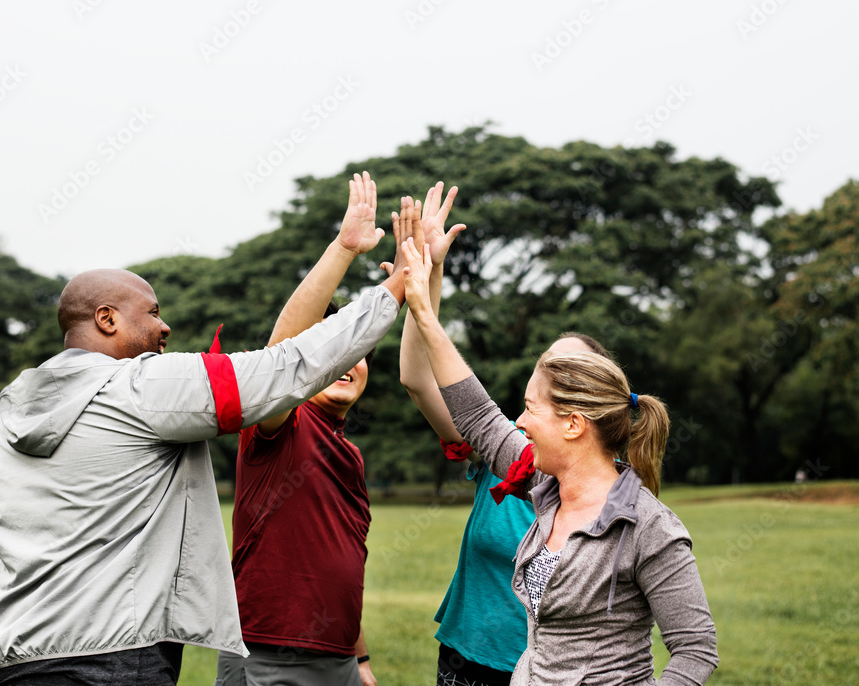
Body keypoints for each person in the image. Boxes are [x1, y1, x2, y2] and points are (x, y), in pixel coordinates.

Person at [0, 170, 419, 685]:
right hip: (116, 659)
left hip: (12, 664)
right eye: (152, 313)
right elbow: (285, 367)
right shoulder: (145, 385)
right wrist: (397, 286)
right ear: (107, 319)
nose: (165, 327)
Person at [399, 236, 719, 685]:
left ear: (573, 424)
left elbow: (695, 648)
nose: (519, 422)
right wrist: (424, 309)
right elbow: (475, 412)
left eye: (531, 409)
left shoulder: (650, 528)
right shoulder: (540, 484)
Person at [397, 185, 614, 685]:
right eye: (549, 366)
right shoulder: (504, 451)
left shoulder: (617, 495)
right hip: (466, 660)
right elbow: (417, 377)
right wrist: (427, 274)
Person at [215, 174, 421, 686]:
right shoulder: (280, 423)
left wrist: (361, 658)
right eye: (333, 354)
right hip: (270, 652)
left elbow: (338, 564)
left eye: (358, 355)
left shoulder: (348, 452)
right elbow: (278, 357)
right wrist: (345, 248)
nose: (348, 364)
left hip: (337, 658)